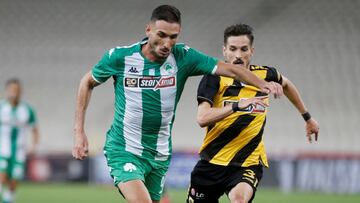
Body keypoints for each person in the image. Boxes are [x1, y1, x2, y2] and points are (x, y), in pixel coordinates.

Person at [72, 5, 283, 203]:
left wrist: (264, 84)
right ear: (148, 30)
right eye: (161, 35)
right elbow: (86, 82)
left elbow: (233, 69)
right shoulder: (120, 57)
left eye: (173, 37)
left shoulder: (184, 57)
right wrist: (79, 131)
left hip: (159, 154)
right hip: (124, 148)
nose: (167, 44)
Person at [186, 23, 320, 203]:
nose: (238, 55)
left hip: (247, 162)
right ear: (224, 51)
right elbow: (202, 118)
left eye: (244, 49)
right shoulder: (214, 78)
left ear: (252, 51)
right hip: (212, 163)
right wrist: (235, 106)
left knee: (239, 199)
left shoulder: (265, 75)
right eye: (233, 49)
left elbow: (286, 84)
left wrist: (307, 118)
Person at [0, 79, 40, 203]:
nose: (14, 93)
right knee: (2, 176)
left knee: (14, 181)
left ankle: (8, 199)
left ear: (20, 92)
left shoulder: (27, 109)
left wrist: (34, 146)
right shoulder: (1, 107)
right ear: (6, 91)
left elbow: (35, 130)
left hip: (19, 151)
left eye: (16, 90)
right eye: (11, 90)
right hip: (2, 149)